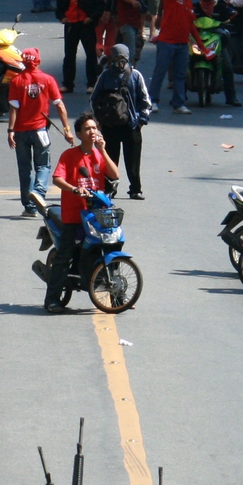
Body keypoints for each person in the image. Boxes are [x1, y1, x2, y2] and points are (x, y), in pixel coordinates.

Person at [44, 118, 118, 311]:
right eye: (87, 129)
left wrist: (103, 150)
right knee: (65, 256)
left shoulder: (98, 154)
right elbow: (57, 179)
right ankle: (52, 300)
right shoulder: (69, 155)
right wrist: (74, 189)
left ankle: (118, 295)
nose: (92, 131)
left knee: (110, 249)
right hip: (74, 216)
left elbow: (114, 174)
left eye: (94, 127)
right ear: (78, 134)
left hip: (96, 216)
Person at [7, 47, 72, 218]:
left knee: (24, 168)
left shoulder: (16, 81)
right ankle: (39, 191)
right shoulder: (48, 80)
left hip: (21, 131)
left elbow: (13, 108)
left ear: (22, 60)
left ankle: (29, 208)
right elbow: (60, 105)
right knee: (43, 165)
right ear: (38, 61)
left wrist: (10, 130)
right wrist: (67, 130)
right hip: (40, 130)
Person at [92, 44, 152, 200]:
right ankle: (109, 189)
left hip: (131, 125)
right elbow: (94, 99)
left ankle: (135, 189)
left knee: (133, 161)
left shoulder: (135, 76)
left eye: (122, 59)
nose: (120, 62)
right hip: (110, 126)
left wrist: (140, 121)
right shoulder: (105, 76)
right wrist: (99, 121)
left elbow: (145, 101)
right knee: (109, 160)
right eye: (117, 58)